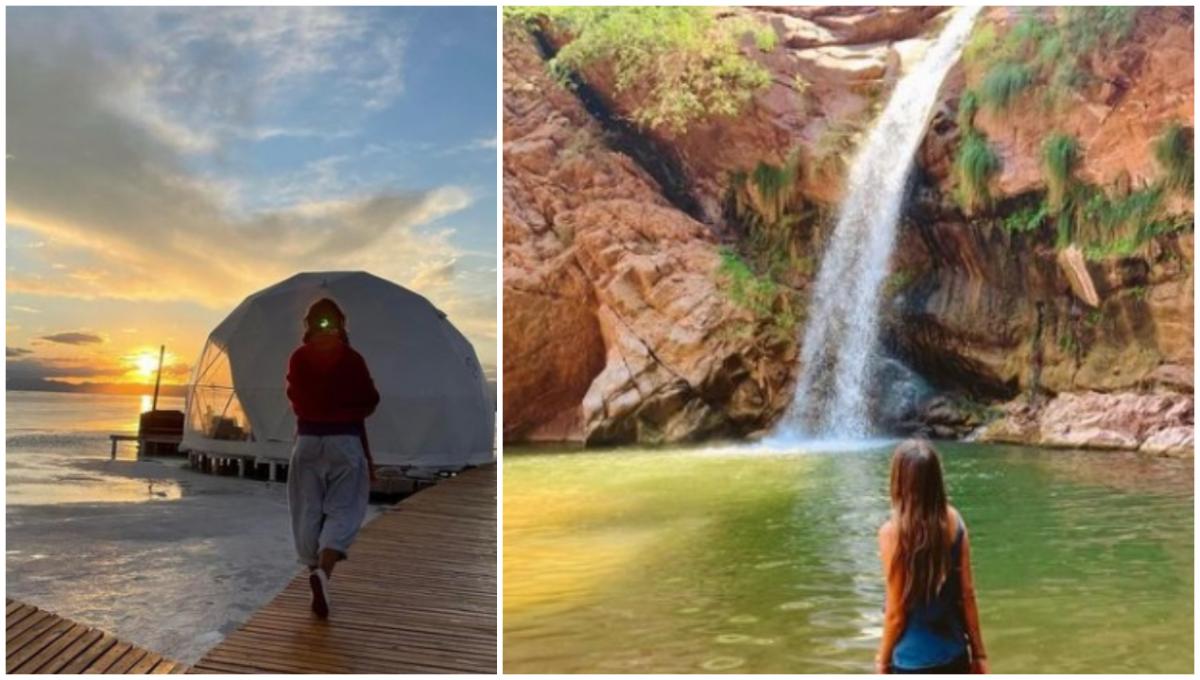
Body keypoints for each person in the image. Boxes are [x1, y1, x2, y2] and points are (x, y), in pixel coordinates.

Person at [285, 297, 380, 619]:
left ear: (309, 324)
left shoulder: (298, 357)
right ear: (340, 323)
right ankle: (323, 573)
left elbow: (295, 397)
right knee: (344, 508)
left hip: (308, 441)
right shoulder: (352, 358)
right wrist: (346, 412)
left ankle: (314, 571)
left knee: (307, 508)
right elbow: (370, 401)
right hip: (344, 440)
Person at [875, 439, 988, 674]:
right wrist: (979, 654)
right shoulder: (955, 521)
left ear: (899, 481)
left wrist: (882, 661)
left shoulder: (891, 533)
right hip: (955, 656)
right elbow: (967, 595)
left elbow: (896, 613)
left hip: (911, 661)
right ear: (936, 480)